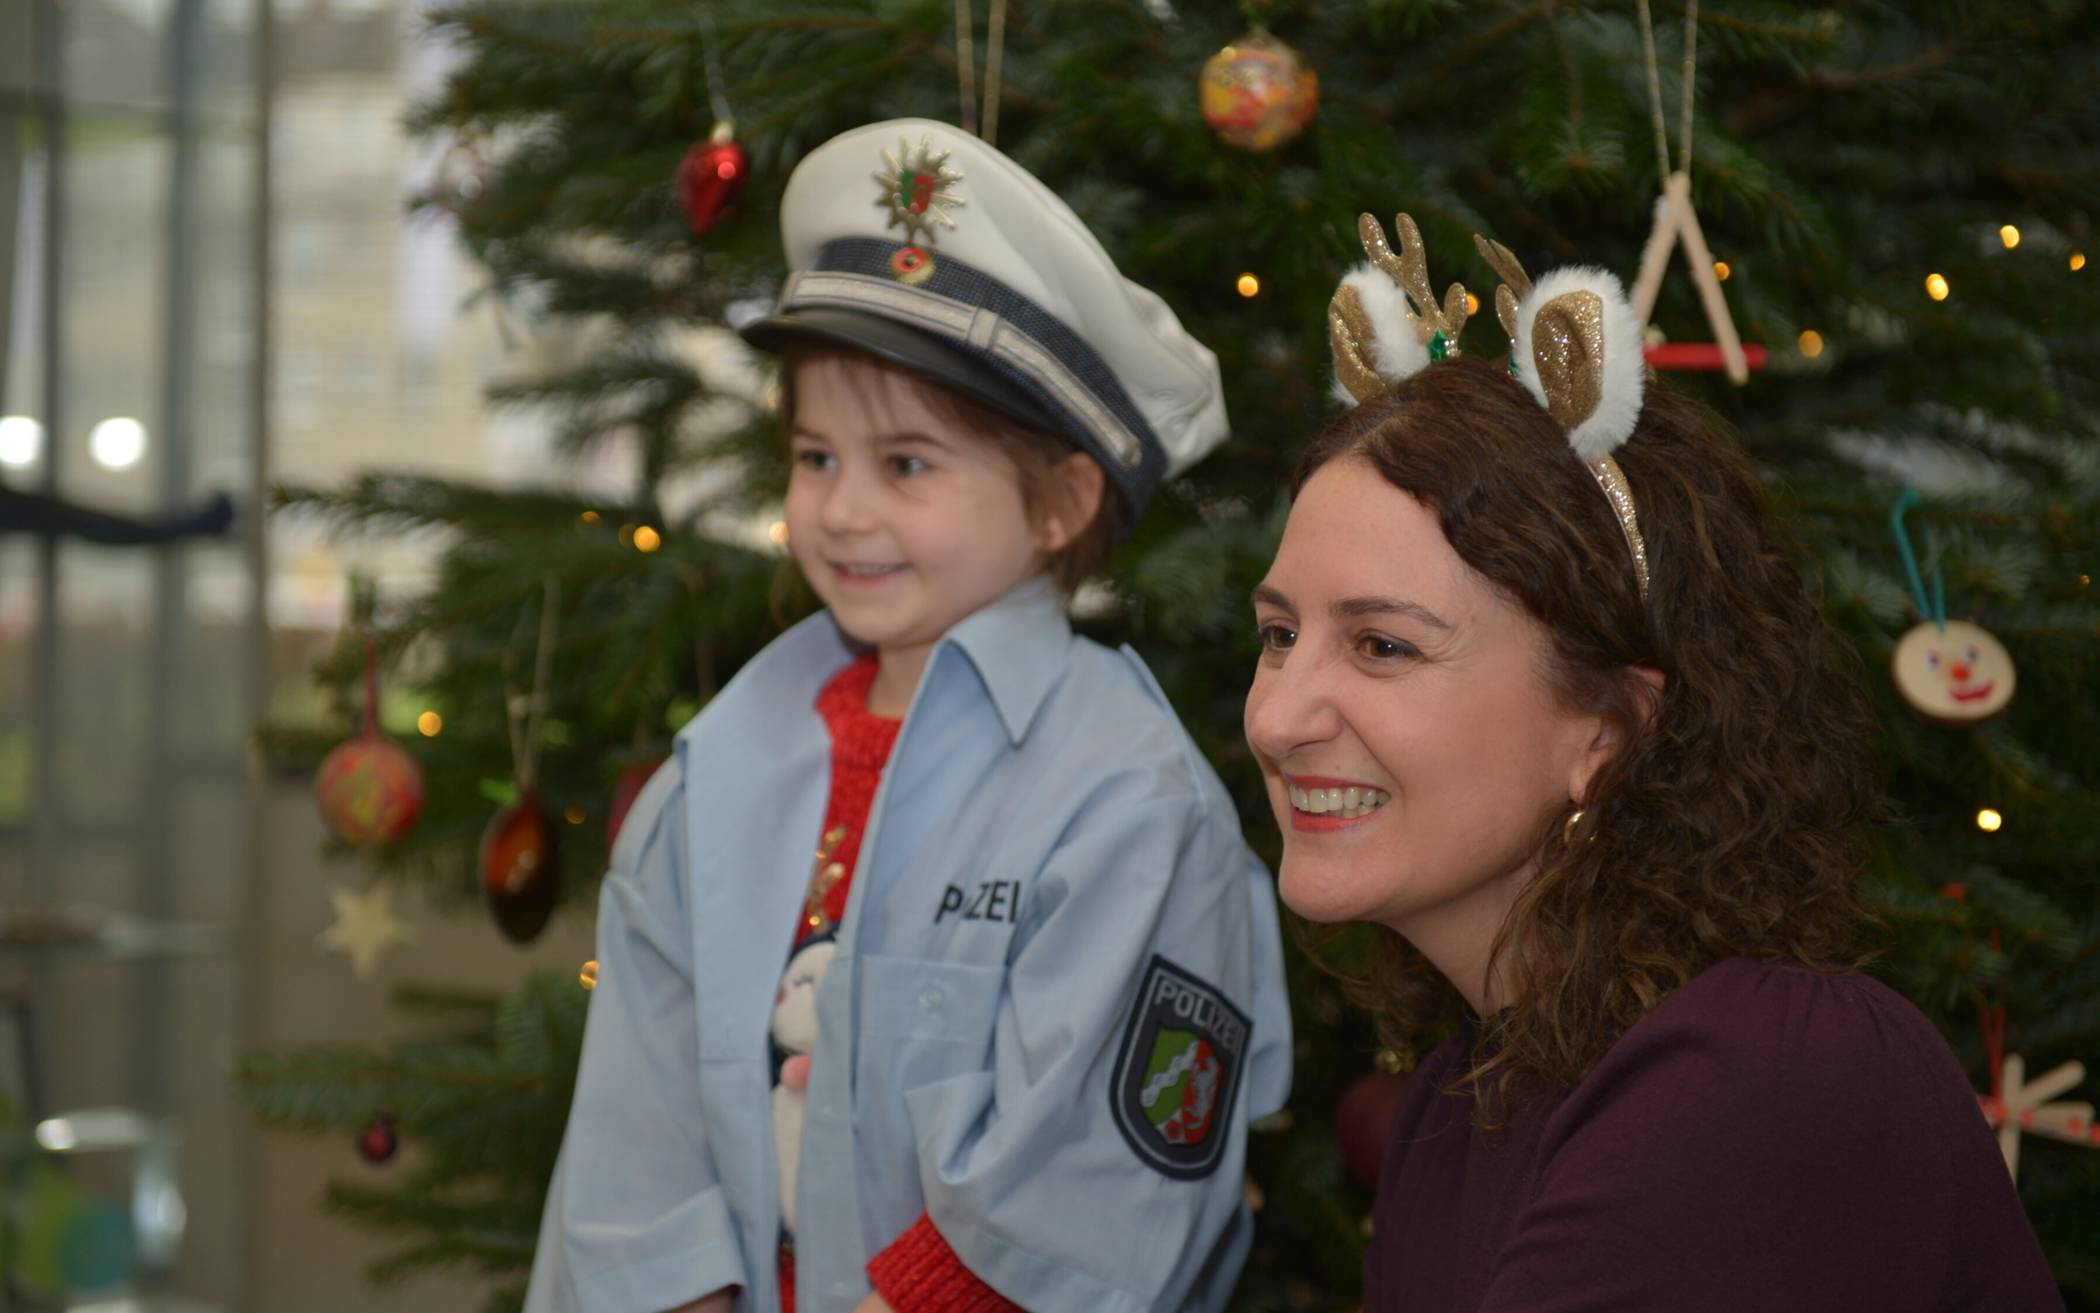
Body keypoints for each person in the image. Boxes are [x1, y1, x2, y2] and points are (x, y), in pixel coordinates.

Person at [523, 119, 1291, 1313]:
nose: (841, 511)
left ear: (1061, 501)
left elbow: (1089, 1192)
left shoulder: (1128, 803)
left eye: (908, 464)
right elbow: (638, 1148)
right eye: (816, 456)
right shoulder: (714, 772)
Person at [1243, 213, 2063, 1311]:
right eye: (1278, 633)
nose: (1276, 717)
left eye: (1382, 645)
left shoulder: (1761, 1081)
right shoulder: (1459, 1099)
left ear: (1610, 729)